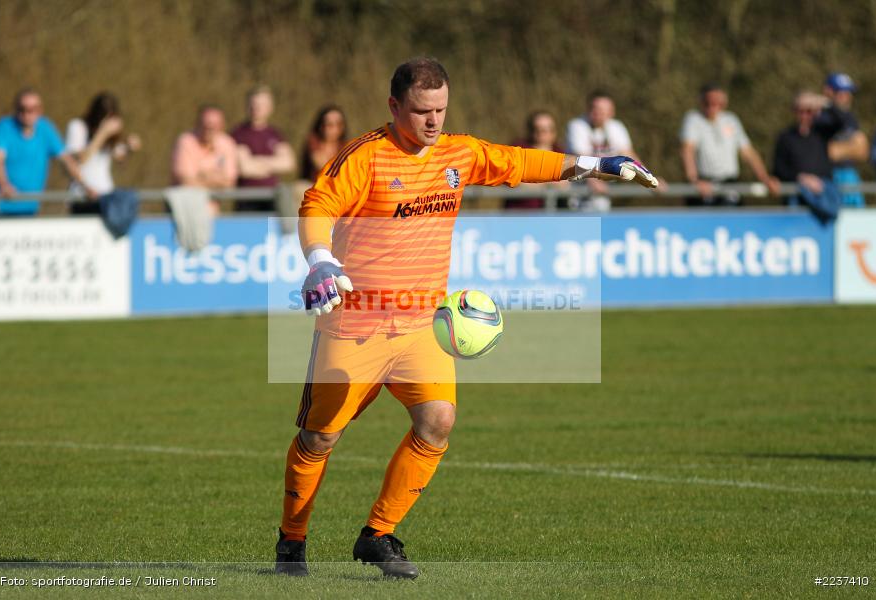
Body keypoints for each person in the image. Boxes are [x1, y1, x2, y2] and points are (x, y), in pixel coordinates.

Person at [276, 56, 658, 580]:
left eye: (441, 109)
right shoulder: (365, 157)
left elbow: (524, 163)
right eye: (421, 111)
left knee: (438, 420)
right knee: (319, 439)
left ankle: (378, 536)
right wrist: (320, 258)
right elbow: (317, 204)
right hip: (354, 324)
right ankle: (291, 542)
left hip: (419, 326)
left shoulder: (459, 152)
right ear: (394, 106)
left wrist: (595, 164)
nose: (433, 121)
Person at [0, 88, 93, 216]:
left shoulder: (45, 129)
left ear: (40, 111)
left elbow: (67, 161)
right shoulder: (4, 127)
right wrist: (4, 184)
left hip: (30, 208)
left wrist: (86, 187)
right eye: (22, 109)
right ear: (16, 109)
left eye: (32, 109)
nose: (27, 114)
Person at [680, 83, 779, 206]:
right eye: (707, 102)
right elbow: (688, 151)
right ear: (701, 102)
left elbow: (748, 152)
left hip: (730, 183)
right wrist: (695, 181)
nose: (712, 107)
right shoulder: (693, 119)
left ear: (724, 103)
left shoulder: (731, 120)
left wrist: (765, 178)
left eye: (717, 103)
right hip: (705, 184)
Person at [772, 91, 849, 222]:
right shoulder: (786, 137)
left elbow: (844, 121)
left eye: (809, 111)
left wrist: (825, 102)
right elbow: (778, 168)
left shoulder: (822, 132)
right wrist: (801, 178)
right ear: (795, 112)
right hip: (797, 194)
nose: (805, 115)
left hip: (823, 191)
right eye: (801, 111)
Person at [566, 91, 647, 210]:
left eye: (603, 110)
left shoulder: (616, 127)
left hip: (602, 189)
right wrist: (594, 181)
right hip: (577, 189)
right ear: (588, 109)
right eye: (595, 108)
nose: (598, 113)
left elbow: (628, 154)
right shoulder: (577, 126)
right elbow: (583, 159)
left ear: (611, 112)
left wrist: (647, 177)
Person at [65, 92, 141, 216]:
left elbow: (119, 157)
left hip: (106, 196)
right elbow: (80, 159)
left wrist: (129, 147)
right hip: (81, 197)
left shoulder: (108, 137)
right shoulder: (78, 127)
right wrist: (103, 133)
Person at [230, 85, 297, 212]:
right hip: (246, 199)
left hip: (273, 199)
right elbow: (245, 168)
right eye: (253, 104)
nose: (257, 108)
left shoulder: (276, 134)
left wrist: (257, 161)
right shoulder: (237, 134)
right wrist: (273, 163)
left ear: (270, 108)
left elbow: (288, 163)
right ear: (247, 105)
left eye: (261, 105)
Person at [822, 73, 868, 207]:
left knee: (857, 221)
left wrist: (840, 149)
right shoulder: (822, 117)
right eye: (842, 93)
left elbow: (863, 151)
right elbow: (826, 152)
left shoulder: (850, 118)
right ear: (829, 92)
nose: (847, 97)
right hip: (829, 177)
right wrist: (852, 148)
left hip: (850, 175)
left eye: (849, 93)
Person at [171, 104, 238, 190]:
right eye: (206, 124)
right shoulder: (185, 141)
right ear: (198, 124)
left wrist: (201, 176)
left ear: (222, 126)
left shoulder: (227, 143)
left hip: (213, 203)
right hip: (185, 202)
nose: (210, 129)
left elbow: (229, 182)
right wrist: (216, 178)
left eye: (215, 125)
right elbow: (185, 180)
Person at [506, 110, 564, 209]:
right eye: (537, 129)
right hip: (520, 212)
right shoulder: (518, 149)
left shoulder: (559, 151)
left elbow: (566, 182)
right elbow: (515, 180)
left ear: (554, 132)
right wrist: (549, 183)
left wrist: (535, 182)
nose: (541, 133)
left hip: (552, 214)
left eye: (546, 129)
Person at [299, 106, 347, 182]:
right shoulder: (314, 142)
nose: (334, 129)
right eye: (330, 124)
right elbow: (323, 167)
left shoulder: (345, 145)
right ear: (321, 126)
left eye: (338, 124)